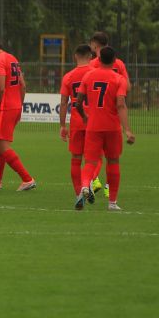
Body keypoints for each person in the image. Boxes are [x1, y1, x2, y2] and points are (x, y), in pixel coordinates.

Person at [75, 46, 135, 211]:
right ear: (114, 60)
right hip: (112, 128)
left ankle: (85, 186)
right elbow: (121, 104)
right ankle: (112, 202)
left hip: (93, 126)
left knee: (90, 162)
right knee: (113, 162)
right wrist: (127, 130)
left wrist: (84, 117)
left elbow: (78, 102)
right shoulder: (119, 79)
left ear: (99, 60)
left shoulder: (88, 76)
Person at [0, 36, 37, 191]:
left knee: (2, 145)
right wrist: (20, 105)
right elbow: (23, 85)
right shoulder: (12, 58)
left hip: (5, 107)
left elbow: (0, 88)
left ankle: (27, 179)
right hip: (15, 106)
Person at [87, 31, 130, 194]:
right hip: (113, 114)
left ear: (94, 44)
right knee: (112, 157)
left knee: (94, 155)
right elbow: (128, 87)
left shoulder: (92, 65)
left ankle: (93, 180)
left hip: (94, 115)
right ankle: (109, 189)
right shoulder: (118, 63)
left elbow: (84, 90)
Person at [58, 44, 95, 202]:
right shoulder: (94, 74)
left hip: (76, 122)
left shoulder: (68, 76)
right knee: (92, 159)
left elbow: (63, 102)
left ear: (75, 56)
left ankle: (78, 194)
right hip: (94, 121)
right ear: (90, 57)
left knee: (75, 159)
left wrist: (62, 126)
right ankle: (88, 185)